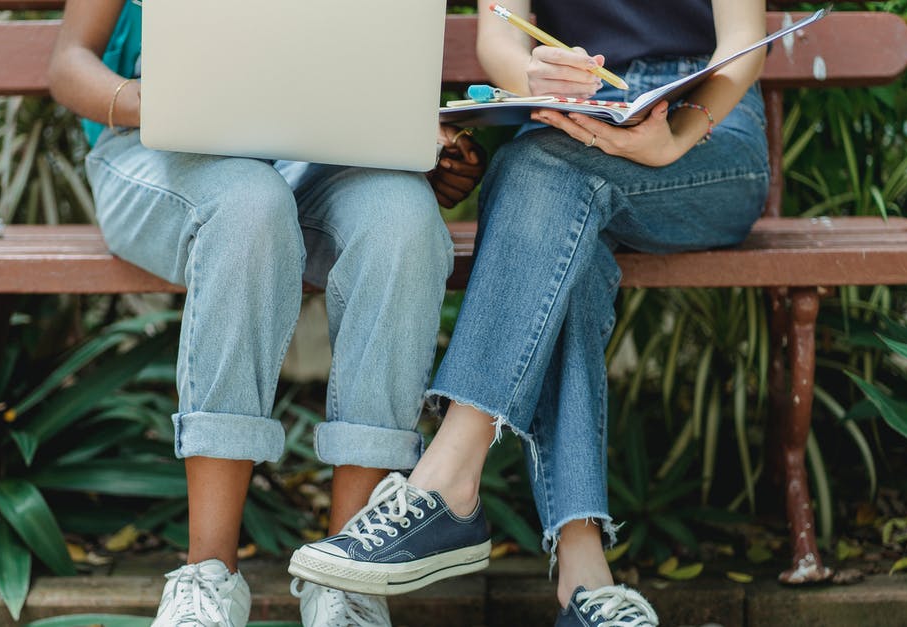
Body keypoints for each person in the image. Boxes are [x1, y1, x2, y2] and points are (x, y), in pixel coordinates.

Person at [291, 0, 771, 625]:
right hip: (574, 123)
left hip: (706, 131)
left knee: (536, 173)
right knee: (561, 228)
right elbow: (500, 39)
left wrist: (677, 132)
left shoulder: (688, 125)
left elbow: (744, 43)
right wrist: (537, 80)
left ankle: (445, 481)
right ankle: (585, 583)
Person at [47, 1, 485, 626]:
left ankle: (350, 580)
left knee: (404, 221)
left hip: (318, 150)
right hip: (155, 146)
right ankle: (208, 578)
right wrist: (165, 106)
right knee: (249, 206)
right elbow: (68, 64)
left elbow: (375, 56)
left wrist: (422, 143)